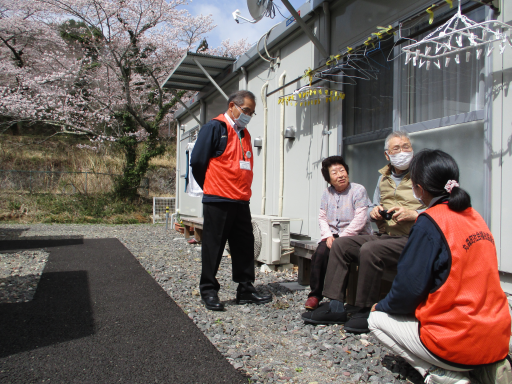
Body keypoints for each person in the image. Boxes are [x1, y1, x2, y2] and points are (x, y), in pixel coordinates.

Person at [368, 149, 512, 384]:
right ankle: (482, 367)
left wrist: (381, 305)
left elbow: (408, 289)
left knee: (376, 320)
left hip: (457, 340)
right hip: (497, 336)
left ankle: (444, 375)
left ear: (419, 189)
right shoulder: (475, 216)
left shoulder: (429, 222)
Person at [302, 131, 425, 332]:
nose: (402, 152)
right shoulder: (383, 178)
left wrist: (414, 214)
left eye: (406, 147)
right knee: (339, 244)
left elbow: (440, 207)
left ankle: (365, 309)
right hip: (387, 235)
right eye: (396, 148)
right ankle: (335, 306)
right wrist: (374, 211)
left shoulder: (422, 174)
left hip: (412, 238)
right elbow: (371, 206)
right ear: (387, 155)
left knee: (369, 249)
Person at [190, 90, 271, 311]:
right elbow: (197, 161)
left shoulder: (244, 134)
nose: (247, 116)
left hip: (241, 199)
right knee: (213, 246)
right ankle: (208, 290)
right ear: (232, 106)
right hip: (218, 198)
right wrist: (210, 185)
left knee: (244, 245)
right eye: (245, 110)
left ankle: (245, 289)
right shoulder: (215, 128)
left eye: (251, 113)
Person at [304, 156, 373, 311]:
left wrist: (340, 239)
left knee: (338, 251)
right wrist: (328, 236)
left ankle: (337, 300)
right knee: (320, 252)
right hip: (334, 235)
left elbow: (360, 219)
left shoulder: (358, 190)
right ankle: (315, 294)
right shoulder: (326, 193)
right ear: (329, 178)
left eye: (342, 170)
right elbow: (322, 217)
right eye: (334, 172)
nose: (340, 175)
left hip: (358, 236)